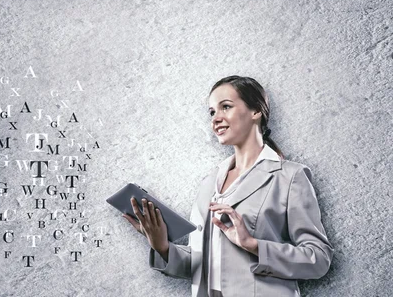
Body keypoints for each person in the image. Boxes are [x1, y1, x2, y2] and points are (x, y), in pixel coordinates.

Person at [123, 75, 334, 297]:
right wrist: (161, 245)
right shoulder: (209, 183)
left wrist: (253, 245)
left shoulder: (290, 176)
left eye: (226, 107)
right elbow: (204, 265)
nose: (215, 119)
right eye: (212, 112)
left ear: (256, 112)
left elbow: (318, 259)